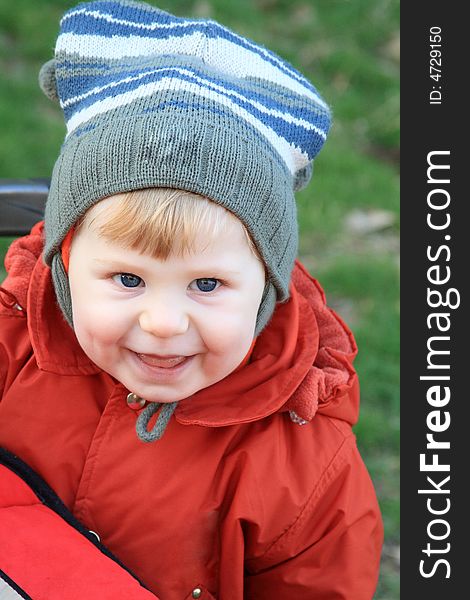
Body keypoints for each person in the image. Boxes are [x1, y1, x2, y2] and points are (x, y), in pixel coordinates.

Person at [0, 1, 383, 598]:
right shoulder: (12, 344)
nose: (161, 322)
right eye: (128, 279)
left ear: (268, 289)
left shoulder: (302, 464)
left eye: (206, 285)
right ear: (68, 264)